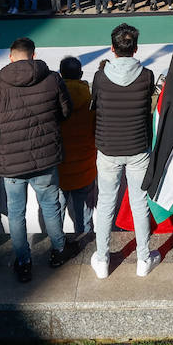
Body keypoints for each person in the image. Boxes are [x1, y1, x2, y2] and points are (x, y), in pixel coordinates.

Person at [0, 37, 77, 282]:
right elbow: (65, 111)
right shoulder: (52, 78)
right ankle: (59, 249)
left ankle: (23, 260)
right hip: (45, 156)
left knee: (16, 213)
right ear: (34, 55)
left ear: (10, 56)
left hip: (12, 160)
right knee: (51, 205)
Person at [89, 22, 161, 279]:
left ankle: (102, 259)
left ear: (112, 49)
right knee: (139, 203)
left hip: (108, 148)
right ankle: (143, 258)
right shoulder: (146, 75)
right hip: (138, 147)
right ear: (136, 48)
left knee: (106, 202)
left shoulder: (100, 76)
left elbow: (95, 104)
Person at [56, 56, 97, 234]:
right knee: (85, 215)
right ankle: (86, 244)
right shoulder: (90, 99)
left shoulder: (54, 99)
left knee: (56, 213)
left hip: (60, 168)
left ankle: (58, 247)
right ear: (81, 74)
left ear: (60, 74)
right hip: (85, 166)